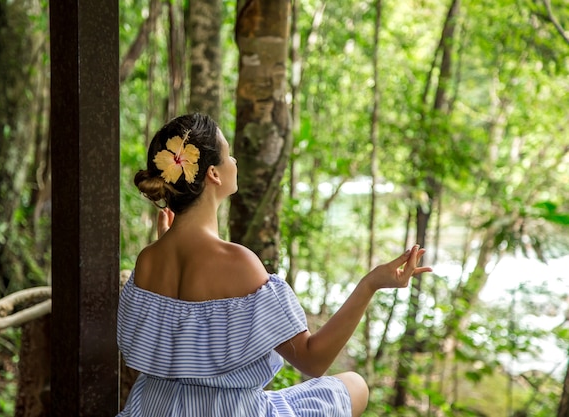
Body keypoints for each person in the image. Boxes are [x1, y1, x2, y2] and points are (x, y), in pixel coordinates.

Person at [117, 113, 432, 417]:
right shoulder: (239, 263)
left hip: (150, 408)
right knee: (355, 386)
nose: (235, 162)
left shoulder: (149, 259)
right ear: (213, 174)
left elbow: (171, 329)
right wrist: (370, 284)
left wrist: (167, 244)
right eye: (229, 155)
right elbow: (313, 360)